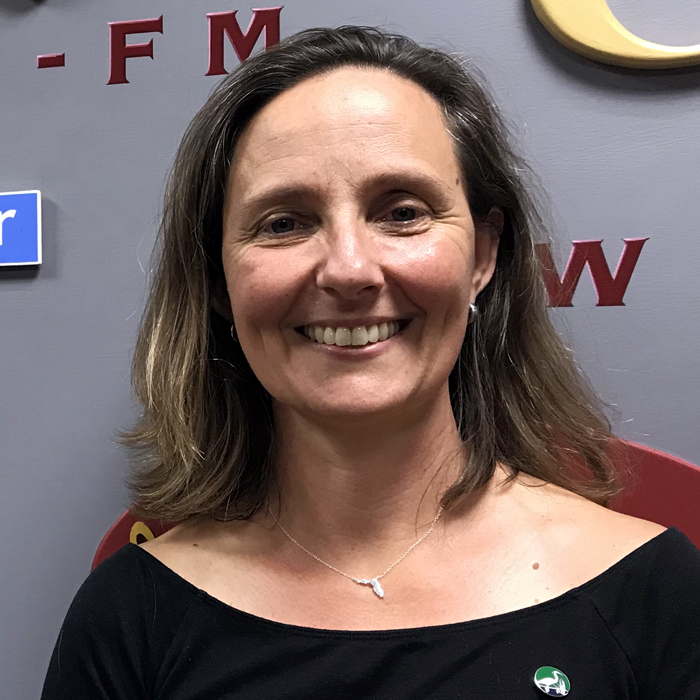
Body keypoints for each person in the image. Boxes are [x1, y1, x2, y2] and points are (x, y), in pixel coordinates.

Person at [41, 25, 700, 699]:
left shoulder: (653, 591)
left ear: (483, 255)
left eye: (403, 212)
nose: (350, 270)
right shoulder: (131, 617)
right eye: (284, 223)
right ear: (218, 280)